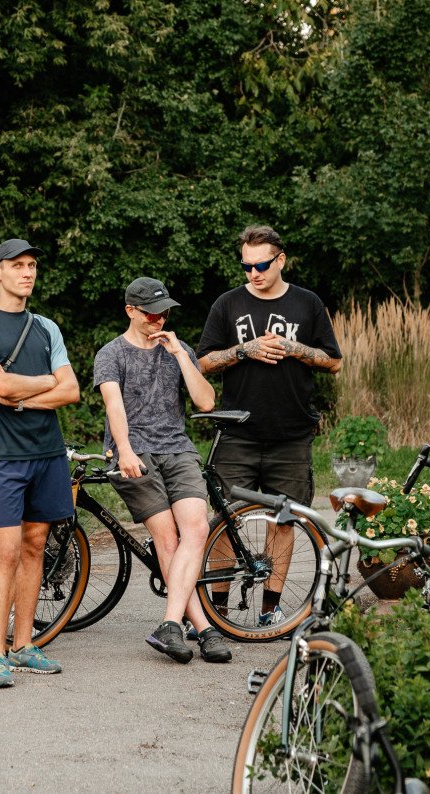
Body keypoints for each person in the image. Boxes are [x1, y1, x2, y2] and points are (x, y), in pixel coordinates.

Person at [196, 225, 342, 626]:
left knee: (284, 520)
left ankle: (270, 608)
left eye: (261, 264)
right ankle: (218, 610)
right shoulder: (227, 304)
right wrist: (245, 349)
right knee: (226, 520)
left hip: (292, 435)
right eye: (246, 266)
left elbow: (334, 361)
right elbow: (203, 361)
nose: (254, 273)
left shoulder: (307, 304)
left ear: (280, 260)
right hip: (237, 434)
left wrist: (294, 348)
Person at [0, 238, 80, 689]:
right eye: (17, 266)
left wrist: (24, 392)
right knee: (6, 552)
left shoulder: (46, 326)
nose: (27, 273)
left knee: (35, 549)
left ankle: (25, 645)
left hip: (48, 452)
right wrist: (45, 384)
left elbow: (71, 391)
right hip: (4, 457)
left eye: (31, 265)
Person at [94, 277, 232, 664]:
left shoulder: (178, 349)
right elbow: (113, 407)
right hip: (134, 453)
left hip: (177, 449)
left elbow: (205, 402)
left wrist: (182, 357)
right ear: (131, 312)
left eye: (165, 312)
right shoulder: (111, 353)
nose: (160, 319)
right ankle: (203, 628)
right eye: (152, 313)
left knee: (198, 528)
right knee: (168, 539)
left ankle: (171, 623)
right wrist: (123, 449)